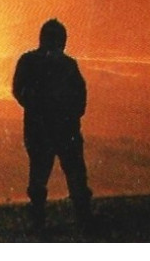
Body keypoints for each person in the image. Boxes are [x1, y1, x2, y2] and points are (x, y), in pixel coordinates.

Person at [11, 18, 93, 230]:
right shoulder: (67, 65)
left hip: (40, 129)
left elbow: (19, 90)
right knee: (74, 174)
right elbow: (80, 96)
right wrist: (71, 114)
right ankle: (83, 218)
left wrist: (37, 106)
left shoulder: (29, 61)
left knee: (39, 176)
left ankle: (39, 220)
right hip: (65, 129)